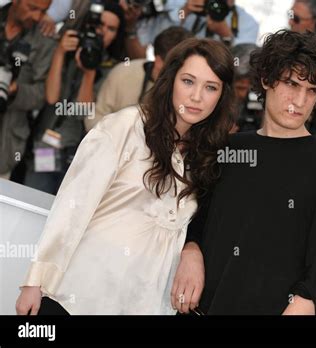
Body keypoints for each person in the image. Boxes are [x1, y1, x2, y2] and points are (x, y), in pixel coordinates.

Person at [15, 37, 235, 315]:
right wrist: (35, 281)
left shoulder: (206, 156)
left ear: (221, 95)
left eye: (210, 87)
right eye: (188, 81)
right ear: (170, 80)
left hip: (145, 303)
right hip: (77, 295)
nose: (196, 96)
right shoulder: (123, 127)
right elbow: (72, 208)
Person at [171, 29, 316, 315]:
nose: (300, 100)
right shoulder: (226, 149)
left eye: (312, 91)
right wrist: (190, 251)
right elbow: (193, 222)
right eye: (292, 84)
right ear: (266, 79)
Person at [22, 1, 126, 194]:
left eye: (111, 29)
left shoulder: (112, 69)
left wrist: (89, 72)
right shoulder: (67, 50)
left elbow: (82, 112)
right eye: (100, 25)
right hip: (46, 146)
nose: (103, 32)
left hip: (78, 154)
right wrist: (60, 53)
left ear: (117, 35)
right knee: (34, 199)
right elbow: (51, 97)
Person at [88, 26, 193, 131]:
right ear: (158, 61)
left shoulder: (192, 90)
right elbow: (95, 118)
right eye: (177, 66)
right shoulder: (123, 72)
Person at [0, 0, 56, 180]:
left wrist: (15, 90)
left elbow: (42, 95)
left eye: (43, 11)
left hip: (6, 144)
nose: (37, 17)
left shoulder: (44, 39)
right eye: (32, 8)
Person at [179, 0, 258, 47]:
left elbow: (242, 61)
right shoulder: (193, 3)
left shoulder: (249, 23)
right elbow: (169, 32)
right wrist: (185, 11)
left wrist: (227, 36)